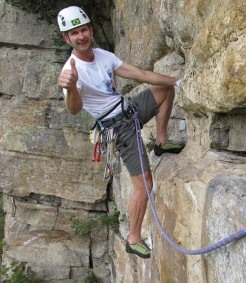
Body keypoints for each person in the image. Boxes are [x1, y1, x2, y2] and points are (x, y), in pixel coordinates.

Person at [57, 6, 184, 259]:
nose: (81, 36)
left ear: (90, 30)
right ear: (66, 39)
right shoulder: (71, 73)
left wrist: (178, 80)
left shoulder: (103, 55)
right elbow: (74, 109)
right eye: (74, 33)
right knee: (144, 183)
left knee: (164, 90)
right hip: (118, 128)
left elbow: (141, 74)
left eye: (83, 29)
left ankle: (161, 141)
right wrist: (70, 88)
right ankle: (133, 237)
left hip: (129, 109)